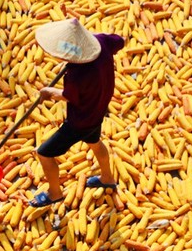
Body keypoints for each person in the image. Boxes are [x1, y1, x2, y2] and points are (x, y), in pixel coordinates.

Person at [30, 18, 125, 208]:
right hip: (98, 109)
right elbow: (120, 41)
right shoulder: (103, 42)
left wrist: (49, 92)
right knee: (95, 142)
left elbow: (69, 96)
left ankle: (54, 193)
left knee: (44, 154)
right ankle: (107, 177)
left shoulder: (76, 75)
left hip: (80, 121)